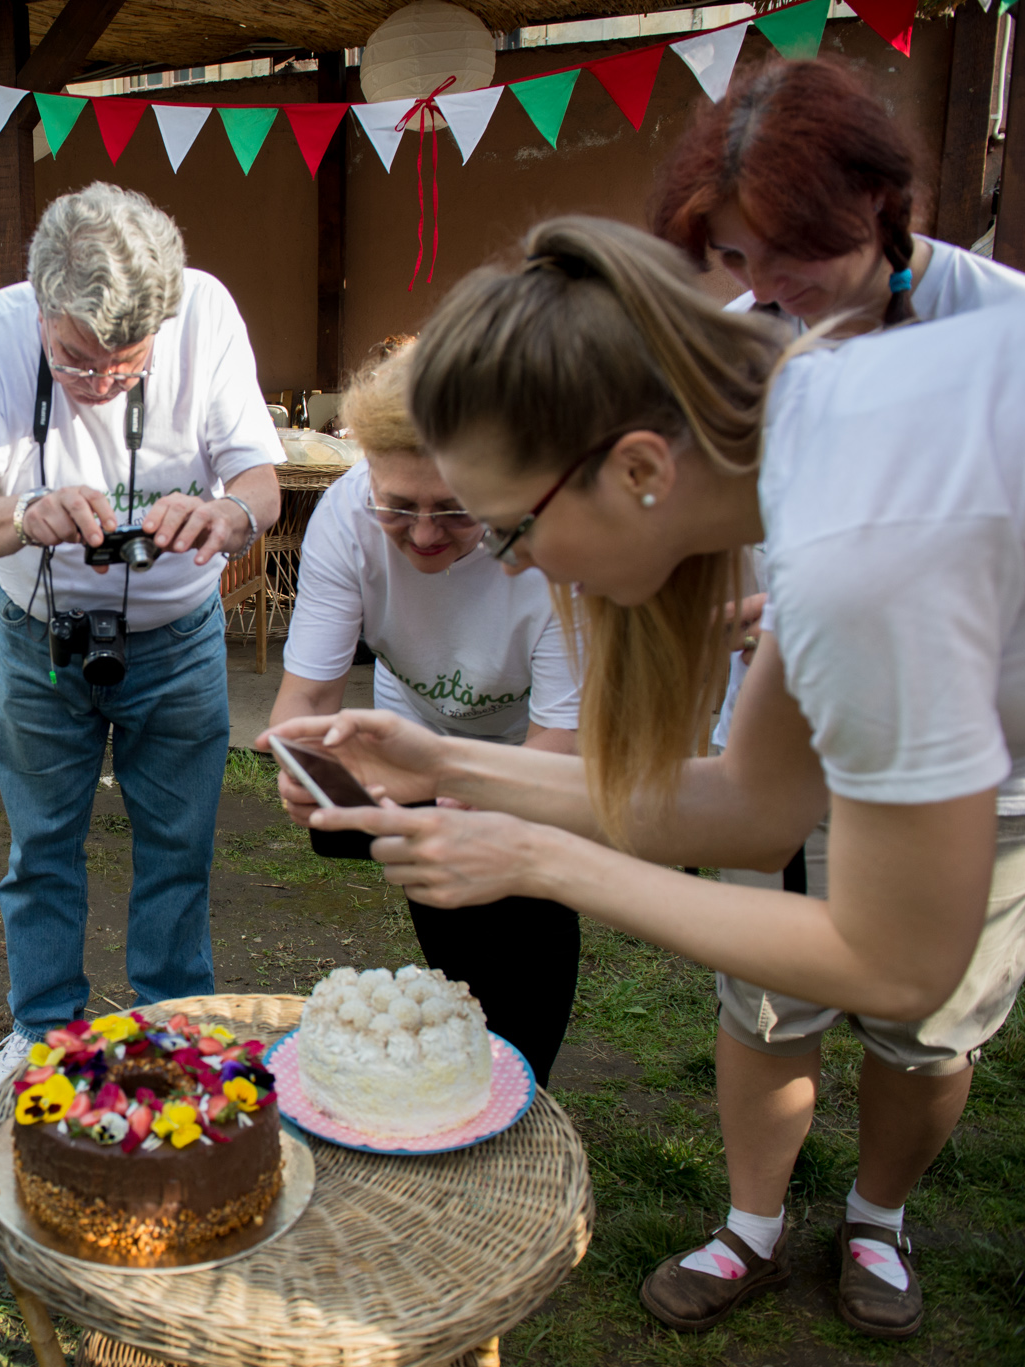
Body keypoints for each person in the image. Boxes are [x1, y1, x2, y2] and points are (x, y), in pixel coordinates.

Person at [263, 215, 1025, 1344]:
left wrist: (533, 854)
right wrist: (445, 758)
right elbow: (753, 807)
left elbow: (897, 957)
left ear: (635, 469)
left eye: (509, 531)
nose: (516, 567)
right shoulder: (799, 457)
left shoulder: (860, 536)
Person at [634, 58, 1025, 1337]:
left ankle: (876, 1219)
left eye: (788, 250)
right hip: (792, 746)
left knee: (924, 1021)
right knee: (765, 996)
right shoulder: (755, 343)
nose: (762, 284)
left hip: (982, 762)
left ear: (882, 204)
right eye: (737, 252)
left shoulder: (996, 330)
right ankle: (750, 1223)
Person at [0, 183, 283, 1101]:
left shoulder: (205, 311)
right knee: (41, 844)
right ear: (39, 305)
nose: (100, 385)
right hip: (42, 636)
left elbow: (259, 478)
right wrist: (26, 514)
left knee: (180, 844)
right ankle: (44, 1030)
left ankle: (179, 1031)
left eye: (126, 367)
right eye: (77, 361)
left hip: (178, 636)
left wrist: (228, 511)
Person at [261, 340, 583, 1086]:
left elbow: (556, 751)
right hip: (413, 744)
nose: (428, 533)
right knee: (448, 917)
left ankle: (519, 1089)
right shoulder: (344, 520)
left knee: (526, 906)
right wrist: (305, 767)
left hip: (531, 750)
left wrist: (470, 788)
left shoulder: (553, 545)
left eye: (457, 510)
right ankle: (463, 1070)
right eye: (399, 507)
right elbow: (306, 699)